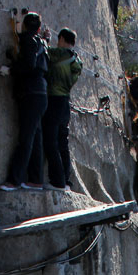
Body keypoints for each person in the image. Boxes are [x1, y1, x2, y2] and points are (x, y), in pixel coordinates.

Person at [0, 12, 49, 191]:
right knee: (35, 137)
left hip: (30, 93)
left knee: (26, 138)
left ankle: (14, 179)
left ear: (25, 27)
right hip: (40, 93)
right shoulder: (42, 42)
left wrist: (11, 69)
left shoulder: (29, 40)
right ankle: (35, 179)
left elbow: (29, 64)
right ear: (39, 28)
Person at [42, 28, 82, 190]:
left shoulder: (59, 54)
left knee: (50, 141)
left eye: (59, 40)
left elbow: (45, 52)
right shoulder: (76, 60)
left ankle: (57, 181)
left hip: (54, 100)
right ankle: (66, 180)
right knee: (62, 143)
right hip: (66, 102)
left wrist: (44, 39)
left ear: (63, 40)